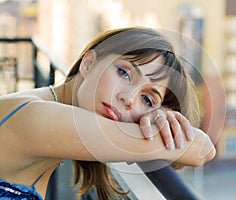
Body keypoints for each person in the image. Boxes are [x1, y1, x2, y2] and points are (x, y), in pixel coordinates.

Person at [0, 27, 215, 199]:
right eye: (123, 72)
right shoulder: (38, 119)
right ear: (88, 62)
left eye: (147, 99)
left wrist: (158, 114)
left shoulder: (46, 107)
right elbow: (200, 149)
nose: (128, 99)